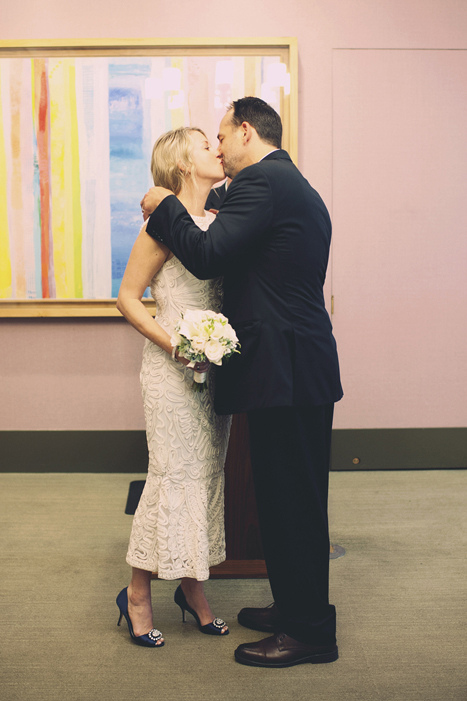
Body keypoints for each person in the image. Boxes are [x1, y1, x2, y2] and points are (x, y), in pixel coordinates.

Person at [140, 97, 343, 667]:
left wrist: (162, 205)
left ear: (245, 131)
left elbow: (206, 255)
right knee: (286, 499)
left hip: (288, 370)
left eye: (222, 136)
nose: (219, 147)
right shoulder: (285, 183)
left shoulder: (264, 183)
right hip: (293, 367)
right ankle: (296, 607)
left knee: (293, 504)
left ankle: (309, 634)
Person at [116, 127, 232, 647]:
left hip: (214, 372)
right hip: (171, 371)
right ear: (184, 163)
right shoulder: (161, 225)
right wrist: (176, 346)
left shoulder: (221, 223)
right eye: (207, 144)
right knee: (169, 476)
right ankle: (137, 593)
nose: (218, 148)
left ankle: (193, 589)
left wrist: (213, 349)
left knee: (204, 476)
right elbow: (127, 298)